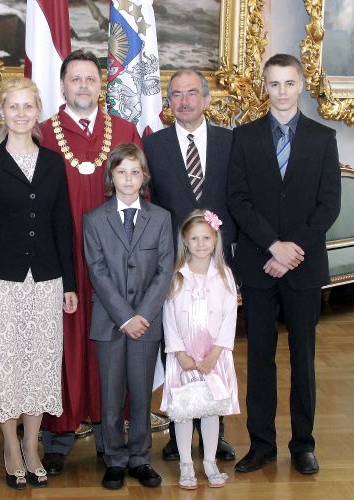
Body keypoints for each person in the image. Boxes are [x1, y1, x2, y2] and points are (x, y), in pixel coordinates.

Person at [227, 53, 341, 475]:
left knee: (302, 358)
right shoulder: (245, 137)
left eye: (289, 83)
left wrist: (292, 251)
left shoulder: (323, 138)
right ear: (265, 86)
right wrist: (273, 246)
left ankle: (303, 445)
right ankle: (261, 445)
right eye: (274, 83)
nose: (281, 92)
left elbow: (329, 204)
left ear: (301, 84)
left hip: (304, 267)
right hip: (259, 264)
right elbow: (238, 199)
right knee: (259, 358)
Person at [0, 78, 77, 490]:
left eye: (27, 106)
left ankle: (32, 444)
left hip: (46, 282)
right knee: (5, 364)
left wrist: (69, 283)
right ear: (1, 112)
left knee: (39, 364)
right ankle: (10, 446)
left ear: (38, 112)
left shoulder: (53, 163)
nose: (20, 113)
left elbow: (62, 225)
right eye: (13, 106)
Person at [37, 49, 143, 475]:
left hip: (114, 265)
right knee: (59, 346)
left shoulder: (125, 131)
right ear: (62, 85)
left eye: (91, 79)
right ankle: (57, 437)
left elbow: (143, 200)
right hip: (59, 261)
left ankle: (109, 436)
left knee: (110, 346)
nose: (83, 85)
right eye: (75, 78)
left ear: (102, 85)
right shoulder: (42, 133)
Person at [143, 69, 237, 462]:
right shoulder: (153, 145)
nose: (184, 101)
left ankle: (216, 433)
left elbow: (238, 197)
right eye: (177, 94)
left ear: (207, 99)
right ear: (169, 102)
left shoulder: (230, 142)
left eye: (192, 93)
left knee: (215, 346)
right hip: (174, 263)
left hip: (218, 260)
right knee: (178, 345)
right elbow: (148, 201)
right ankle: (179, 429)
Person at [83, 143, 174, 489]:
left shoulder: (161, 218)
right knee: (111, 395)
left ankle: (140, 457)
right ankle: (114, 458)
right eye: (121, 172)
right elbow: (98, 272)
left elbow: (164, 271)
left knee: (140, 392)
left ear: (144, 177)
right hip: (111, 322)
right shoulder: (94, 220)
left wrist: (143, 315)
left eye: (135, 172)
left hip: (146, 324)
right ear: (111, 177)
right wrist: (125, 317)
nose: (128, 178)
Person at [160, 209, 240, 490]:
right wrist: (180, 353)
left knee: (210, 410)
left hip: (213, 357)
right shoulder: (176, 276)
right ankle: (185, 464)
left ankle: (209, 461)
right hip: (184, 357)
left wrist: (216, 353)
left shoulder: (224, 275)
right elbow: (168, 318)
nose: (201, 243)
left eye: (206, 237)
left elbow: (230, 317)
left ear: (215, 239)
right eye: (194, 238)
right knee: (184, 410)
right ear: (184, 241)